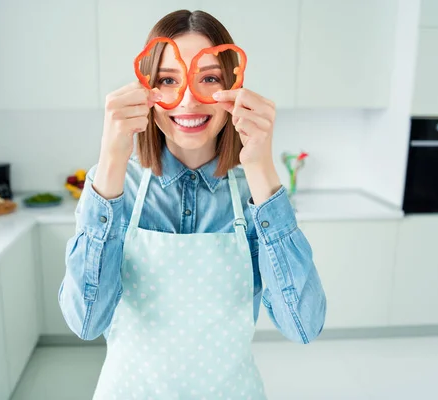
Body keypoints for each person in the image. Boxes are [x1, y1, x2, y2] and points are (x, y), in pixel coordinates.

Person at [59, 9, 326, 399]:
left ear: (233, 86)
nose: (187, 100)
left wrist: (262, 170)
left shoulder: (255, 193)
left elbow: (303, 326)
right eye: (168, 80)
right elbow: (85, 322)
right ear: (148, 89)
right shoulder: (114, 184)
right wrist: (113, 158)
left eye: (209, 79)